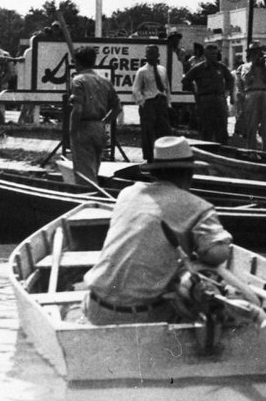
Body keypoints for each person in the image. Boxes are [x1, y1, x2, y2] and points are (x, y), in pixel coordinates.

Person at [81, 136, 235, 326]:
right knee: (207, 296)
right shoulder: (198, 207)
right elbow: (218, 254)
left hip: (94, 308)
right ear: (189, 175)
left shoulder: (127, 193)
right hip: (141, 317)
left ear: (155, 173)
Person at [68, 46, 121, 187]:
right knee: (94, 168)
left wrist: (72, 131)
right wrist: (104, 122)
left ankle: (87, 198)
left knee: (84, 173)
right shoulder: (104, 81)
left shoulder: (78, 80)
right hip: (99, 127)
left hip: (83, 126)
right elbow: (117, 108)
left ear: (78, 62)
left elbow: (77, 109)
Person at [181, 43, 234, 144]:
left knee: (222, 126)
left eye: (215, 53)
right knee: (206, 127)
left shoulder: (221, 67)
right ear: (205, 54)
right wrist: (195, 91)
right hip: (205, 100)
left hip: (219, 99)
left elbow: (230, 79)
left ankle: (223, 150)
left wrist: (227, 92)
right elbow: (186, 80)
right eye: (211, 54)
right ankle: (207, 150)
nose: (213, 56)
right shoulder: (198, 68)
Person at [132, 45, 172, 162]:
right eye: (149, 54)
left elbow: (167, 88)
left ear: (158, 55)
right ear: (146, 56)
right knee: (148, 132)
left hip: (161, 102)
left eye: (154, 53)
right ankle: (149, 157)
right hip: (149, 103)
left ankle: (164, 156)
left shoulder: (162, 70)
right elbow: (136, 89)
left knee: (164, 130)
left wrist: (168, 103)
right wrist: (143, 102)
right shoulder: (142, 71)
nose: (151, 56)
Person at [236, 45, 266, 150]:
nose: (257, 55)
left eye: (259, 53)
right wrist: (253, 67)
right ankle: (251, 150)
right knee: (251, 124)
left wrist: (263, 68)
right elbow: (247, 81)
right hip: (252, 92)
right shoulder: (246, 66)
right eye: (254, 53)